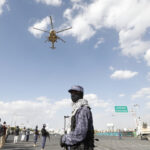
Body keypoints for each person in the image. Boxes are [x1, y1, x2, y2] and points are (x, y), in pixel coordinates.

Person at [60, 85, 94, 150]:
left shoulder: (83, 110)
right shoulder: (76, 109)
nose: (72, 95)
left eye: (75, 92)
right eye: (71, 93)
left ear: (80, 94)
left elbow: (80, 134)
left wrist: (64, 139)